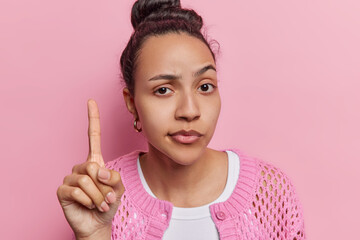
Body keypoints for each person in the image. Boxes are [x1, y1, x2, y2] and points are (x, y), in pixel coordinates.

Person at [57, 0, 306, 239]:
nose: (190, 110)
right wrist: (94, 236)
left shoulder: (270, 191)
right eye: (164, 89)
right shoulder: (102, 192)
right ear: (132, 103)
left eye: (205, 86)